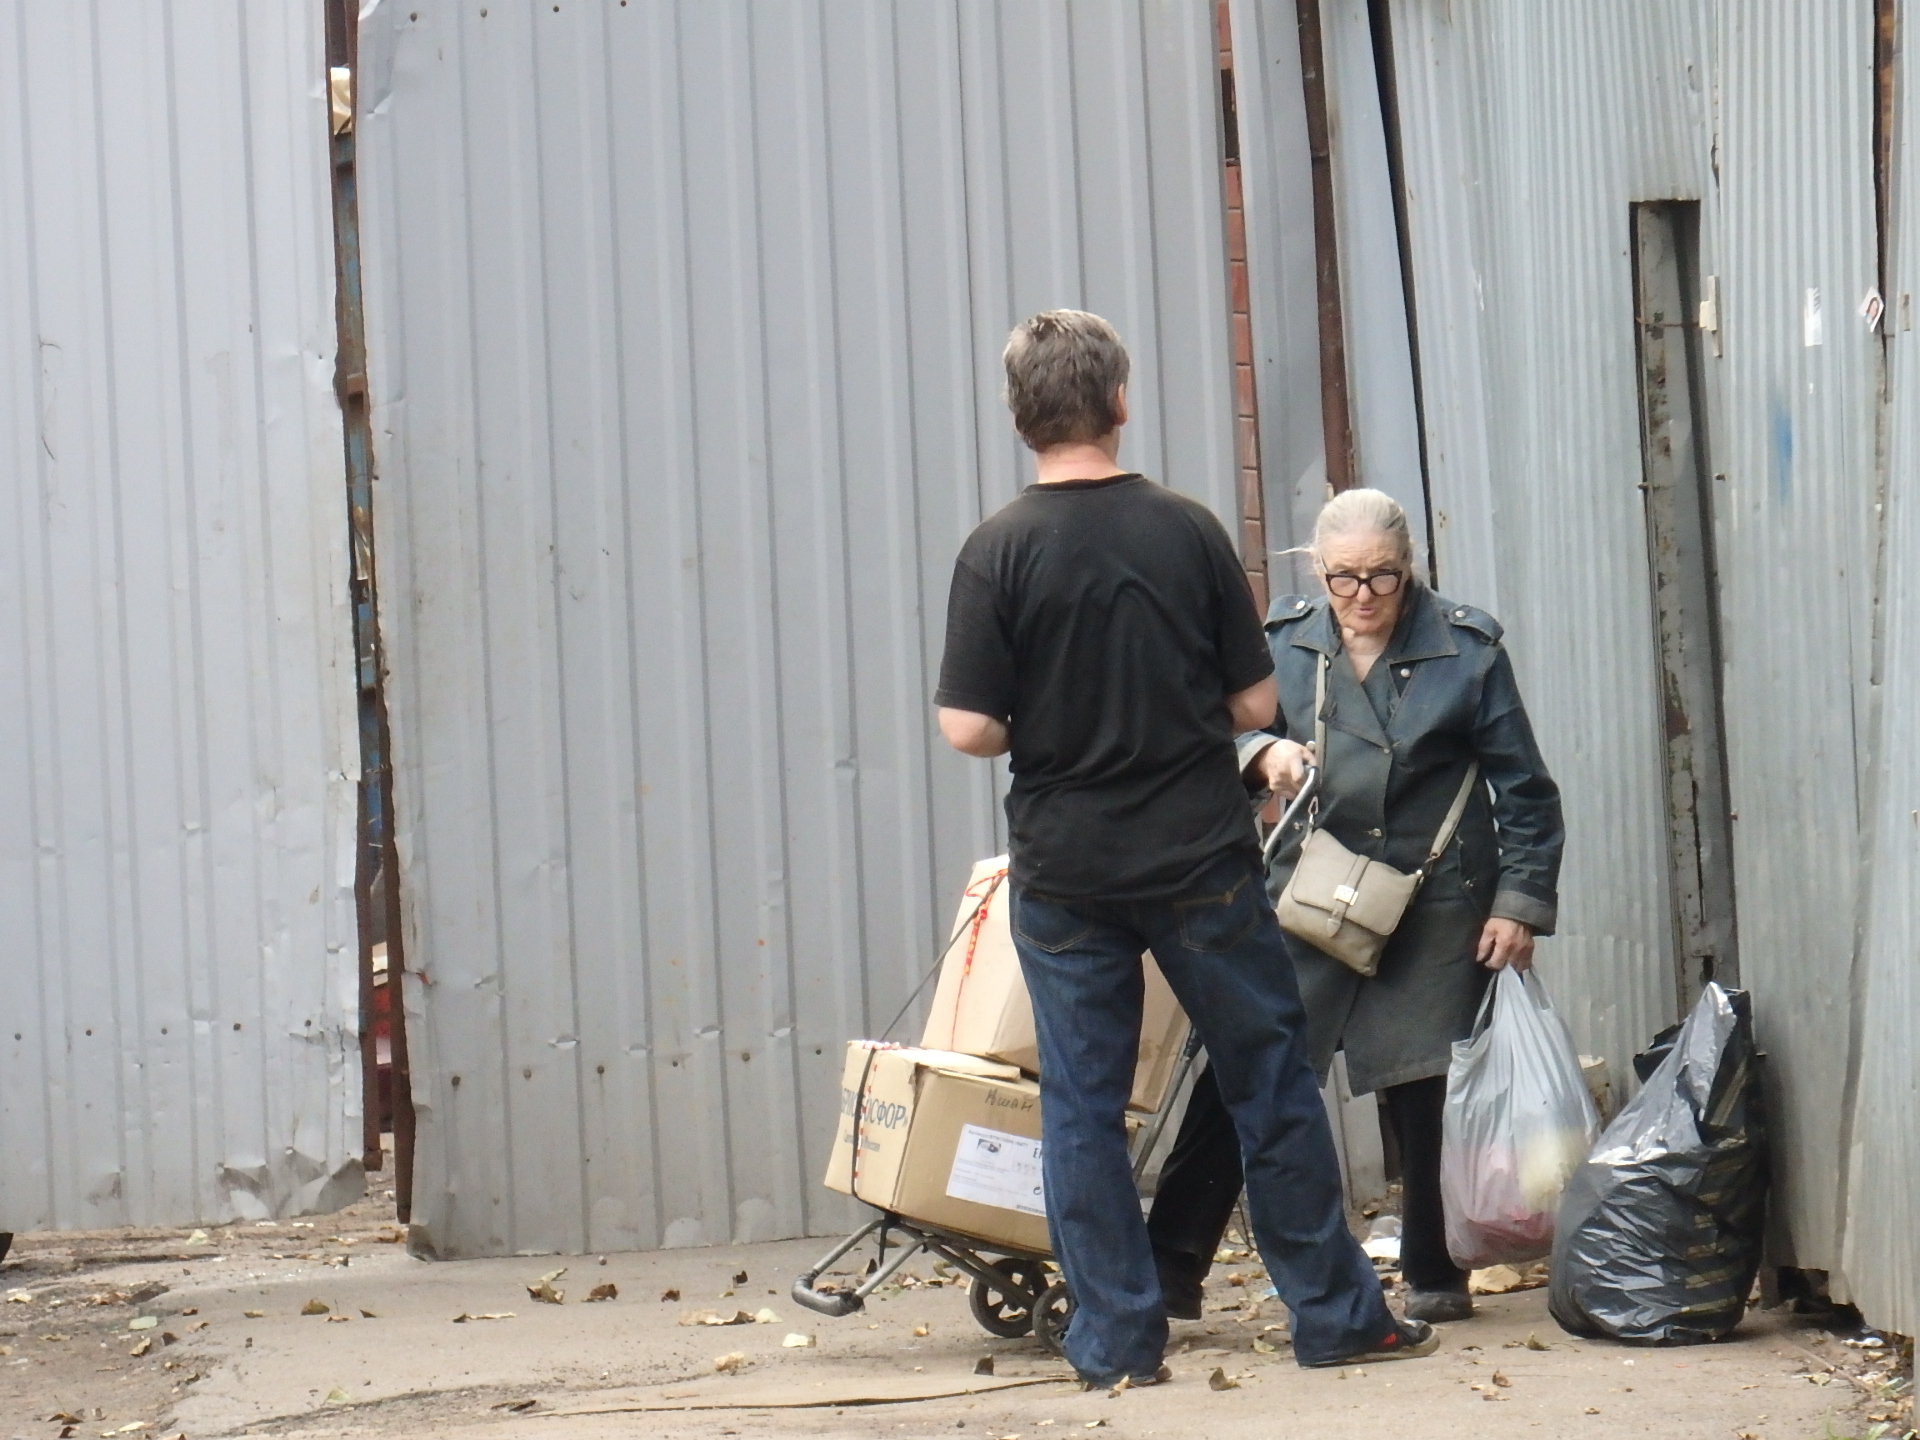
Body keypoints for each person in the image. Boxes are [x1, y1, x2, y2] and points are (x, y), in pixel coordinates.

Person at [934, 312, 1436, 1387]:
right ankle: (1338, 1319)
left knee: (1082, 1104)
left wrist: (1048, 724)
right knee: (1269, 1079)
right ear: (1120, 403)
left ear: (1021, 419)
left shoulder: (996, 550)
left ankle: (1117, 1342)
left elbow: (970, 728)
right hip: (1199, 860)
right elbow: (1254, 697)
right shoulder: (1187, 531)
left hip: (1067, 871)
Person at [1146, 487, 1565, 1325]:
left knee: (1424, 1081)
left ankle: (1434, 1269)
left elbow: (1525, 790)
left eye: (1383, 577)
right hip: (1310, 891)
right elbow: (1208, 731)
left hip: (1435, 897)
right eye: (1344, 579)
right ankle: (1169, 1267)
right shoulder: (1282, 643)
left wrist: (1518, 903)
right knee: (1248, 1070)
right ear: (1316, 569)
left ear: (1410, 569)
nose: (1364, 597)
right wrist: (1262, 752)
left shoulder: (1468, 648)